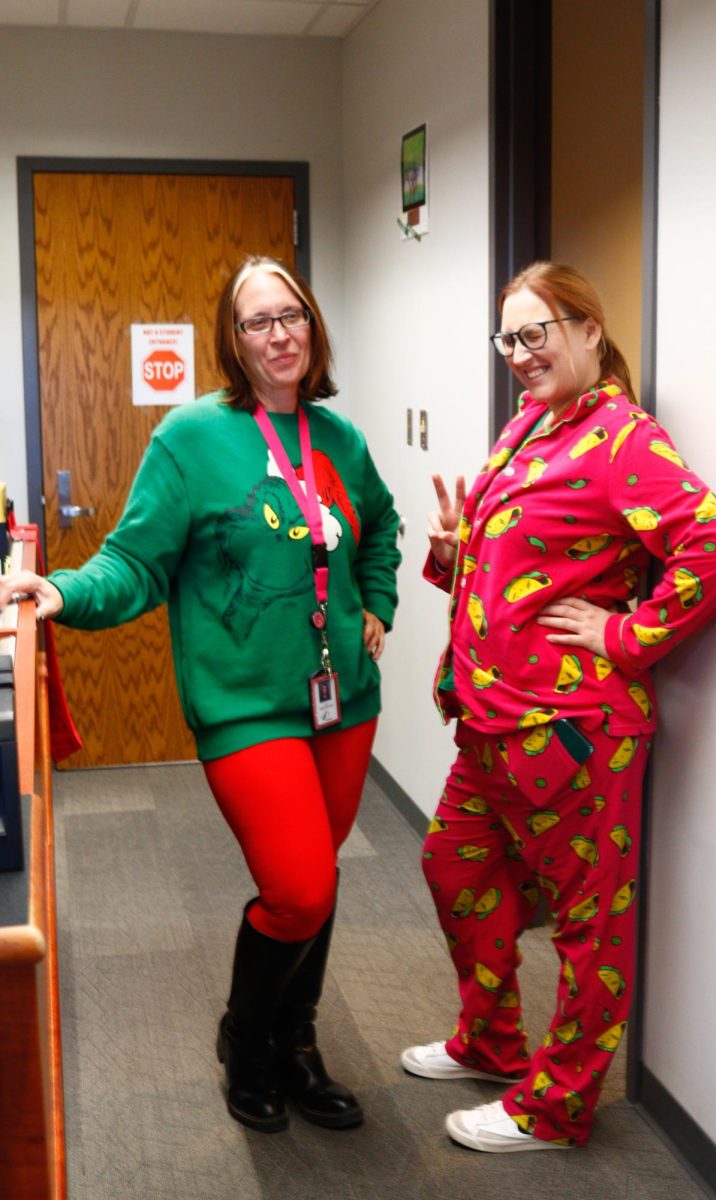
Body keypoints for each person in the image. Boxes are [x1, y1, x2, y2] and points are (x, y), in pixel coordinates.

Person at [0, 255, 401, 1135]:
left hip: (344, 703)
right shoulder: (190, 437)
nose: (278, 334)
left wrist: (378, 604)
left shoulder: (343, 442)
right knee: (296, 886)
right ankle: (245, 1038)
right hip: (243, 705)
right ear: (234, 338)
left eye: (289, 314)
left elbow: (380, 529)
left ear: (312, 324)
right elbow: (138, 559)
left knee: (322, 882)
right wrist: (64, 591)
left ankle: (297, 1045)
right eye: (257, 321)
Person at [402, 261, 716, 1153]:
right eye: (508, 339)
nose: (520, 354)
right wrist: (452, 549)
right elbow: (505, 568)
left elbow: (715, 549)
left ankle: (554, 1110)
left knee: (591, 931)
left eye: (537, 333)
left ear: (589, 331)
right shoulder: (531, 424)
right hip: (490, 726)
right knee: (454, 872)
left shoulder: (623, 439)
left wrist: (624, 636)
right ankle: (491, 1041)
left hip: (574, 738)